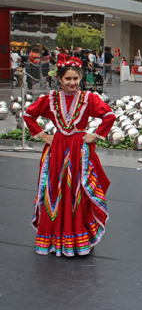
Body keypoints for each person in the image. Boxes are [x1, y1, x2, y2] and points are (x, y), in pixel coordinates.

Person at [22, 57, 116, 257]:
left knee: (78, 191)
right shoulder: (50, 99)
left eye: (75, 78)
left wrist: (94, 135)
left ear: (80, 78)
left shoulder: (88, 98)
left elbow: (109, 115)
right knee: (54, 191)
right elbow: (29, 115)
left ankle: (79, 237)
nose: (72, 83)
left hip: (79, 150)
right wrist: (43, 135)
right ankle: (55, 238)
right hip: (56, 150)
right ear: (59, 79)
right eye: (68, 79)